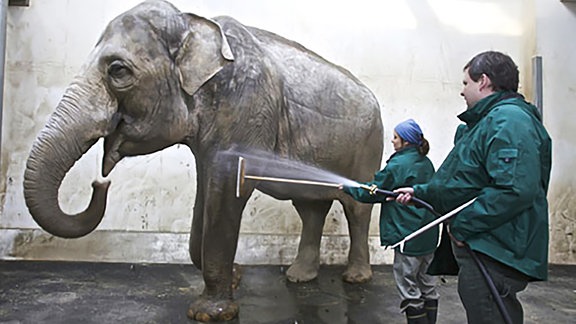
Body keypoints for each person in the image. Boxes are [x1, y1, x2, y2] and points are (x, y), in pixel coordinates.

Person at [393, 51, 552, 324]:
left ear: (484, 82)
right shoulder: (488, 122)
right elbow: (463, 180)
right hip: (489, 245)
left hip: (495, 249)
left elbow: (514, 189)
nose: (461, 91)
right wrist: (420, 192)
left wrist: (463, 226)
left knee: (489, 312)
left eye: (465, 83)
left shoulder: (509, 121)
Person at [341, 119, 439, 324]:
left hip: (407, 235)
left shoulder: (398, 165)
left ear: (405, 142)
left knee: (408, 287)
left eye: (395, 137)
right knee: (427, 284)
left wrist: (348, 187)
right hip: (428, 236)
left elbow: (372, 191)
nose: (392, 141)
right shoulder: (426, 162)